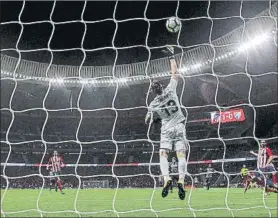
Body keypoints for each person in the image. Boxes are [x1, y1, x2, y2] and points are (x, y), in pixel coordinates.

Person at [145, 45, 187, 200]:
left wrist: (149, 117)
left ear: (153, 91)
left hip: (167, 129)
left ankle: (167, 178)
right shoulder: (171, 89)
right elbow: (175, 73)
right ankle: (181, 180)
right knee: (181, 154)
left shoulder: (153, 104)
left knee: (163, 154)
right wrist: (171, 56)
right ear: (161, 87)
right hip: (180, 125)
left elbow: (147, 118)